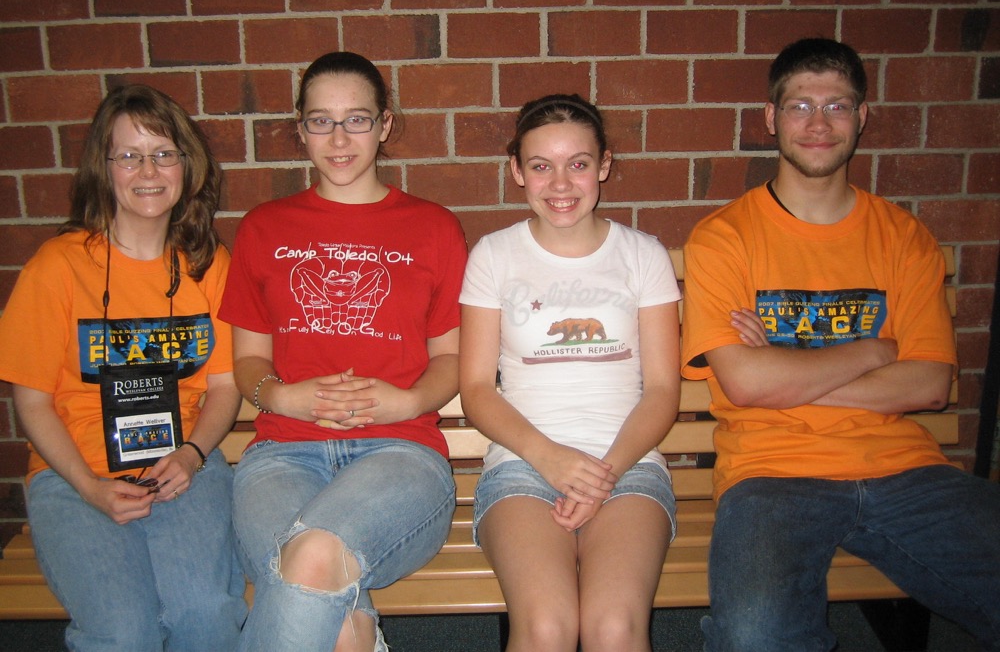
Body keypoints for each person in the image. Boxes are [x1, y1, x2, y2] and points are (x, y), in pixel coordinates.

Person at [681, 37, 1000, 651]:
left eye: (838, 106)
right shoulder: (724, 238)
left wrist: (782, 369)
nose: (819, 123)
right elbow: (745, 384)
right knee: (756, 637)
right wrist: (874, 351)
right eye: (800, 106)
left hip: (905, 470)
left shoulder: (904, 237)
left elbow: (929, 385)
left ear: (862, 117)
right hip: (771, 475)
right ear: (771, 118)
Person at [220, 51, 467, 652]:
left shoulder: (434, 227)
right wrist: (283, 396)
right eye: (320, 121)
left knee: (307, 561)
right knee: (333, 612)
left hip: (401, 453)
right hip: (282, 453)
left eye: (356, 119)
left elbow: (453, 359)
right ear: (300, 128)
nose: (338, 138)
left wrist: (405, 401)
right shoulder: (263, 228)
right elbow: (248, 361)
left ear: (384, 125)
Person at [0, 85, 247, 651]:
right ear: (104, 167)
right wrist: (89, 486)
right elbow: (31, 400)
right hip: (74, 475)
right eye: (129, 155)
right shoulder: (57, 266)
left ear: (186, 166)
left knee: (205, 614)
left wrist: (192, 454)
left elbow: (224, 386)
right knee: (124, 631)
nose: (148, 171)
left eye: (163, 154)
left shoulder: (208, 264)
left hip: (183, 466)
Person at [460, 94, 681, 652]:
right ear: (517, 171)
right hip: (523, 466)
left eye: (578, 163)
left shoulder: (643, 254)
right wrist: (551, 457)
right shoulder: (494, 255)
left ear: (604, 165)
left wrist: (604, 473)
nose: (560, 183)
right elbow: (477, 390)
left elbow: (662, 391)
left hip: (627, 465)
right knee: (546, 629)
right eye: (541, 165)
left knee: (614, 629)